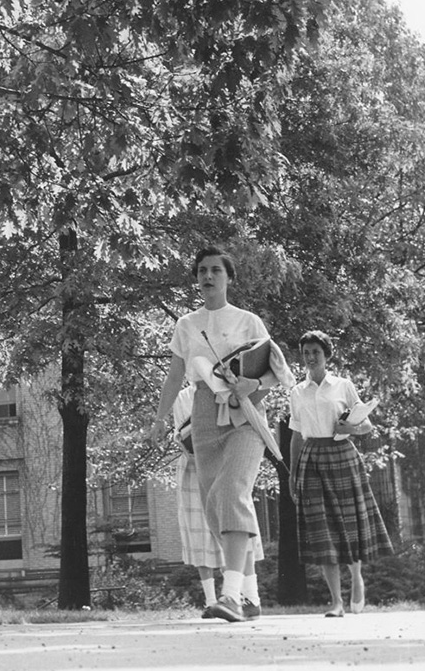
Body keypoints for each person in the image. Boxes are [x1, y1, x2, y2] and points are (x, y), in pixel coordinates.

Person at [154, 246, 294, 622]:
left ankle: (230, 596)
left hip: (245, 415)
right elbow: (173, 376)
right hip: (203, 415)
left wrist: (253, 384)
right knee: (216, 506)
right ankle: (250, 598)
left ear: (229, 277)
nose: (207, 276)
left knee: (233, 492)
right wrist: (159, 418)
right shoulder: (185, 324)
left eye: (216, 270)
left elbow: (276, 373)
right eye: (201, 270)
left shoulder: (249, 321)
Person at [287, 330, 392, 617]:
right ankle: (336, 601)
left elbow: (366, 426)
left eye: (315, 352)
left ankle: (356, 578)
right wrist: (292, 473)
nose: (310, 357)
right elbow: (296, 435)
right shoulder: (296, 392)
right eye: (306, 352)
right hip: (311, 459)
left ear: (326, 355)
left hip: (343, 456)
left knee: (347, 525)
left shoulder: (343, 386)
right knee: (322, 533)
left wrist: (350, 429)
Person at [172, 385, 266, 618]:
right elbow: (181, 434)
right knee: (204, 531)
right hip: (196, 463)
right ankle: (214, 600)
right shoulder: (184, 397)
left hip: (227, 460)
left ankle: (248, 596)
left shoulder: (226, 388)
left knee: (236, 517)